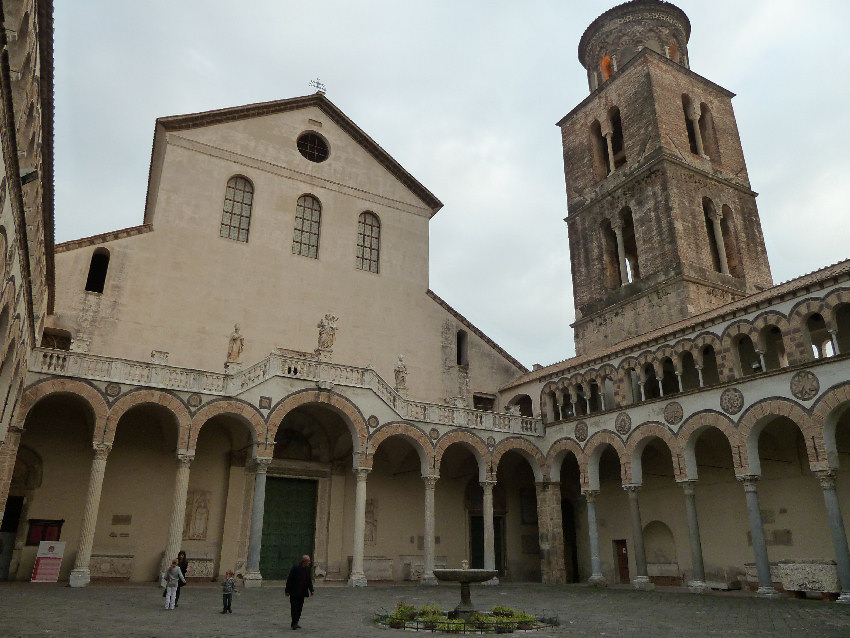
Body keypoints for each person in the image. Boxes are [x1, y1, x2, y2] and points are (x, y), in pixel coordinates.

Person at [285, 555, 314, 630]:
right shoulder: (296, 568)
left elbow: (309, 581)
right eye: (308, 561)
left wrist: (311, 590)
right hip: (294, 592)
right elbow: (290, 579)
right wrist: (287, 590)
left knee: (299, 608)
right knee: (294, 608)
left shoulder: (307, 569)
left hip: (302, 592)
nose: (309, 563)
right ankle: (293, 623)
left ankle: (296, 622)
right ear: (304, 561)